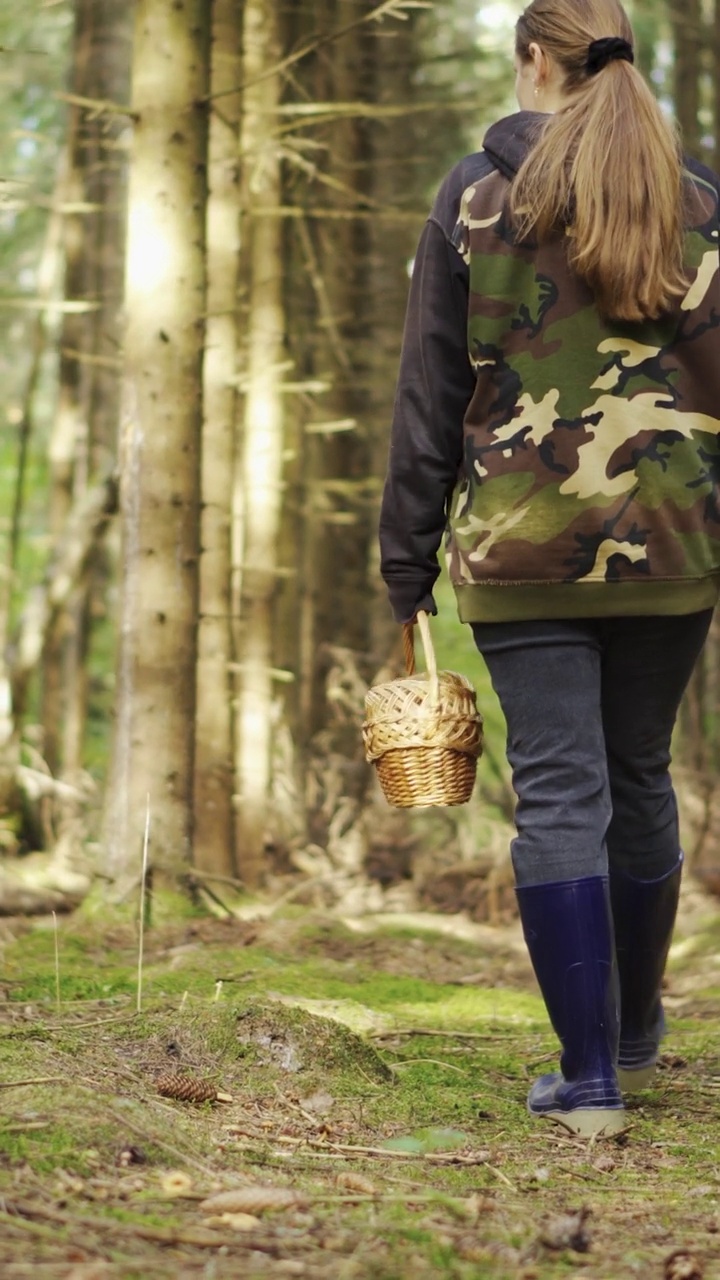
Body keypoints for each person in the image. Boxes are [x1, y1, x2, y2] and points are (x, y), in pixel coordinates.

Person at [379, 0, 720, 1138]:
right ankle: (629, 1036)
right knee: (637, 775)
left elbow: (431, 393)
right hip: (674, 548)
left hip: (522, 549)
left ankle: (590, 1081)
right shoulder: (702, 205)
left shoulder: (476, 200)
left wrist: (404, 556)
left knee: (563, 791)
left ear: (534, 59)